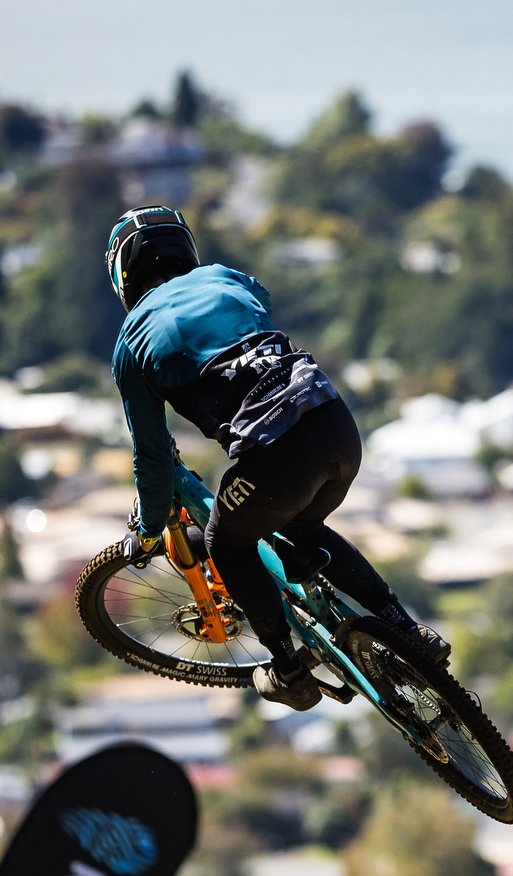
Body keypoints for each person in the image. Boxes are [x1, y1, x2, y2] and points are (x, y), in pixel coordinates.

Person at [105, 205, 447, 711]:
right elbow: (257, 299)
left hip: (277, 455)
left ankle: (287, 669)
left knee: (226, 542)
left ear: (122, 277)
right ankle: (404, 627)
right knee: (301, 529)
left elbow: (152, 454)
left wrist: (151, 528)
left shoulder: (133, 338)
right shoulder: (223, 278)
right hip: (336, 426)